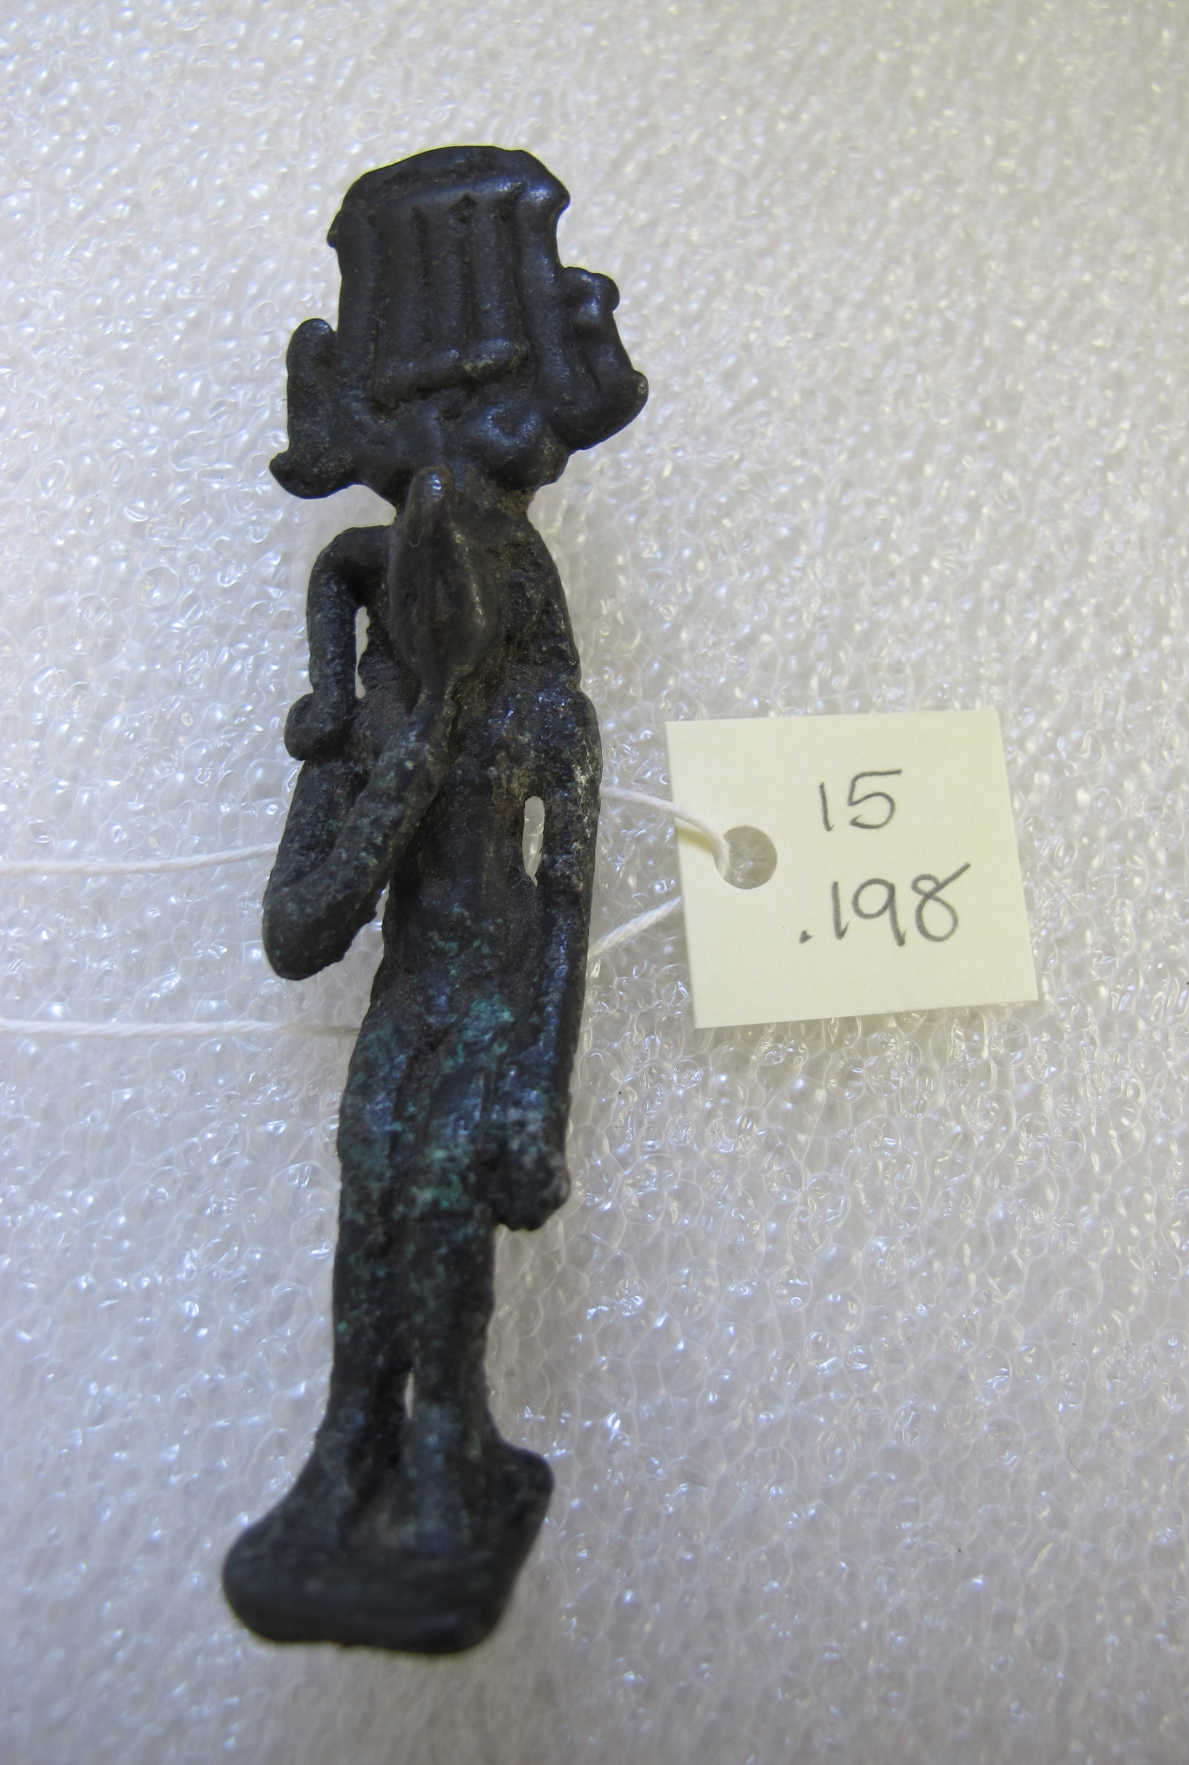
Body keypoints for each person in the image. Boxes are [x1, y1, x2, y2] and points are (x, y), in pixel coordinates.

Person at [222, 146, 646, 1653]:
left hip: (485, 1016)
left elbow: (565, 921)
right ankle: (353, 1449)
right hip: (409, 1015)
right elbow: (297, 935)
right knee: (377, 1204)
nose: (450, 493)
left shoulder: (551, 723)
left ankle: (452, 1447)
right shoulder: (367, 742)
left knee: (443, 1208)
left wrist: (538, 1090)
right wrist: (415, 735)